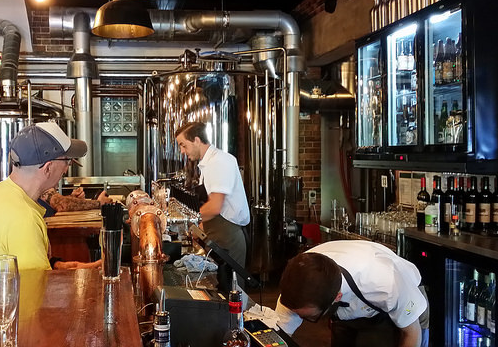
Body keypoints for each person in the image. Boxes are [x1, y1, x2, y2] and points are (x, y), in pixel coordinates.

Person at [0, 122, 101, 311]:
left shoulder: (1, 192)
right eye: (66, 162)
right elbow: (35, 297)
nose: (67, 169)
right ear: (48, 168)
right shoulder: (23, 218)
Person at [276, 240, 428, 347]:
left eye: (310, 317)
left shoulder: (385, 282)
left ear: (337, 297)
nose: (299, 318)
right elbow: (278, 338)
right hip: (347, 314)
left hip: (402, 306)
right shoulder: (296, 286)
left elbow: (411, 334)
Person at [175, 122, 250, 291]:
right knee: (220, 288)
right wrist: (198, 228)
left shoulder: (219, 162)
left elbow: (215, 207)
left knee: (233, 291)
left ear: (196, 140)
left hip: (229, 234)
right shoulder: (208, 164)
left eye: (183, 145)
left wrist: (189, 220)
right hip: (218, 232)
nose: (182, 151)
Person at [39, 185, 112, 217]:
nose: (66, 170)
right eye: (67, 162)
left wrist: (72, 198)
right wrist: (99, 203)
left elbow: (56, 202)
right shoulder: (41, 179)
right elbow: (62, 205)